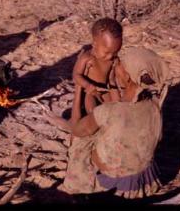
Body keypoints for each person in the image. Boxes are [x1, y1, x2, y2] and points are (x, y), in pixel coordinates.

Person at [60, 46, 170, 199]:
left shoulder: (109, 111)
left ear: (127, 76)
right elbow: (125, 110)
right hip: (142, 181)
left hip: (112, 185)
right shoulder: (155, 106)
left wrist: (78, 89)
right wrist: (111, 83)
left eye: (120, 63)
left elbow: (77, 129)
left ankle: (77, 184)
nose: (115, 63)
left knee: (80, 139)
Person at [70, 18, 124, 125]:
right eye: (107, 52)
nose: (110, 56)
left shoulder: (113, 59)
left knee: (117, 109)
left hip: (105, 91)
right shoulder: (88, 58)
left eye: (115, 52)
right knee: (93, 112)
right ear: (94, 44)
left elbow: (113, 79)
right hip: (91, 92)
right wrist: (87, 85)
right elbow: (76, 75)